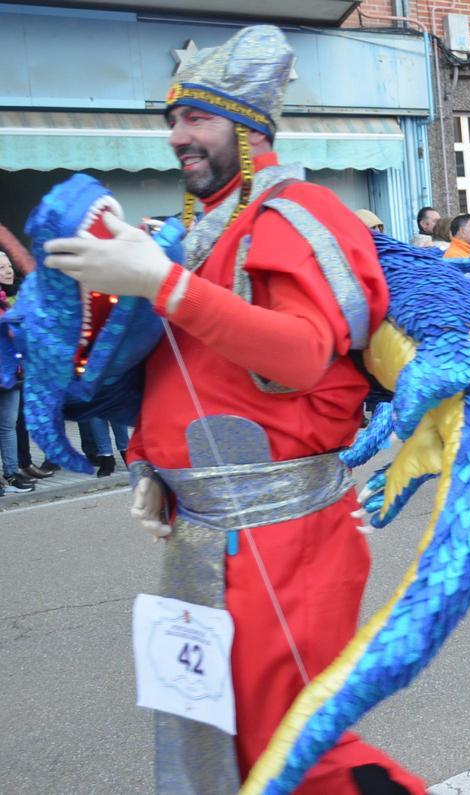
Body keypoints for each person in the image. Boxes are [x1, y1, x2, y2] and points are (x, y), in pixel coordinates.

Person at [41, 26, 424, 792]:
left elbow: (300, 354)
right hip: (206, 535)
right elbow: (191, 370)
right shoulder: (207, 228)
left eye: (199, 118)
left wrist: (162, 284)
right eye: (174, 120)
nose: (179, 136)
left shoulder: (294, 214)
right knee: (225, 753)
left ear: (249, 127)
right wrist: (155, 465)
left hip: (288, 538)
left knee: (298, 751)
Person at [0, 252, 37, 495]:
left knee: (8, 427)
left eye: (8, 266)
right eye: (2, 267)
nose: (8, 270)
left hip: (12, 374)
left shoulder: (8, 300)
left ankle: (11, 474)